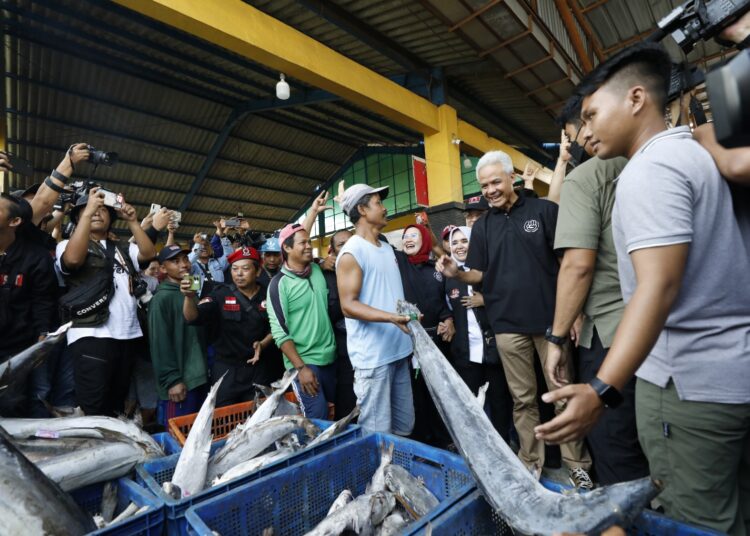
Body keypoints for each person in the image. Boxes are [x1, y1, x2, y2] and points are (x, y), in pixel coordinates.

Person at [535, 43, 750, 534]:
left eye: (592, 113)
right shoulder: (704, 155)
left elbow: (659, 286)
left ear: (636, 99)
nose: (584, 130)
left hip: (689, 386)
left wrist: (601, 390)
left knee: (698, 522)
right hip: (736, 374)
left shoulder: (648, 171)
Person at [437, 150, 592, 489]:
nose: (490, 190)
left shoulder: (544, 211)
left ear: (512, 178)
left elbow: (569, 263)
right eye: (484, 185)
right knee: (523, 399)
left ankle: (577, 464)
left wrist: (576, 312)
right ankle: (531, 460)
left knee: (562, 393)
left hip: (552, 322)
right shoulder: (483, 228)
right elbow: (478, 273)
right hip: (507, 326)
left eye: (495, 182)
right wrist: (456, 273)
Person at [544, 94, 648, 486]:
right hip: (655, 328)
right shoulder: (650, 163)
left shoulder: (586, 178)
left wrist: (556, 336)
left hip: (607, 335)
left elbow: (578, 265)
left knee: (617, 451)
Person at [56, 188, 155, 416]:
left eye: (103, 210)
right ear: (78, 218)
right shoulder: (66, 245)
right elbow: (71, 261)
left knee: (116, 403)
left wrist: (132, 221)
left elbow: (148, 254)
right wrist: (88, 213)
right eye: (90, 210)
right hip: (90, 335)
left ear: (111, 217)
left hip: (127, 334)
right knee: (93, 405)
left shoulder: (123, 248)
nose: (98, 213)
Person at [336, 184, 414, 435]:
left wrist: (407, 314)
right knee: (377, 434)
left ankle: (394, 474)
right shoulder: (352, 251)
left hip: (399, 352)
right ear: (362, 209)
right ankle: (376, 475)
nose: (384, 207)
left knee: (404, 427)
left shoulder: (386, 247)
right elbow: (348, 306)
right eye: (378, 203)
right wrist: (391, 318)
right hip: (374, 361)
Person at [184, 246, 278, 407]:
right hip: (226, 371)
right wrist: (188, 297)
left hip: (258, 370)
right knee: (225, 419)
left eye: (245, 269)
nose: (239, 274)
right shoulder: (220, 294)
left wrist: (263, 343)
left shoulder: (270, 294)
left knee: (257, 418)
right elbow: (192, 317)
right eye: (235, 269)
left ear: (257, 272)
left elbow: (277, 327)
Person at [445, 226, 513, 440]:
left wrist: (486, 300)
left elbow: (511, 297)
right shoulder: (449, 276)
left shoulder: (488, 269)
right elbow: (445, 307)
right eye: (454, 242)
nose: (459, 246)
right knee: (471, 405)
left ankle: (504, 444)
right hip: (466, 355)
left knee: (500, 403)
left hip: (494, 352)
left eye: (464, 241)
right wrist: (446, 320)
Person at [267, 224, 337, 419]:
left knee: (332, 416)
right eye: (303, 243)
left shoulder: (316, 269)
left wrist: (314, 210)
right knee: (317, 419)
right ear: (287, 248)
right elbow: (280, 333)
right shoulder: (279, 284)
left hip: (330, 359)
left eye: (310, 242)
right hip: (305, 363)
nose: (309, 246)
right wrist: (301, 369)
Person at [395, 223, 454, 448]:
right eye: (405, 235)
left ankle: (443, 439)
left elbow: (443, 304)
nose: (408, 239)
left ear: (425, 241)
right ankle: (420, 442)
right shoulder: (399, 264)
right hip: (409, 341)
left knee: (439, 392)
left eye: (414, 235)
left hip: (437, 342)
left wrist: (449, 320)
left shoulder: (436, 270)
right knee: (415, 393)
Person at [149, 244, 209, 425]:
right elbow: (160, 343)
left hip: (199, 377)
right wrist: (172, 380)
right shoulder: (161, 299)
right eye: (175, 261)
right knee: (180, 437)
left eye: (184, 259)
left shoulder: (190, 292)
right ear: (162, 268)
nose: (183, 264)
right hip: (180, 383)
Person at [321, 229, 357, 419]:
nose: (347, 247)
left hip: (369, 348)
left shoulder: (365, 267)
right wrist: (318, 263)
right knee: (346, 403)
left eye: (350, 242)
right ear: (331, 251)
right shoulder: (323, 274)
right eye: (341, 244)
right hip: (341, 352)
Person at [189, 230, 232, 295]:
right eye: (200, 245)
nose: (203, 247)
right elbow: (187, 262)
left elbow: (229, 255)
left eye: (206, 245)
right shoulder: (191, 265)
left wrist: (222, 236)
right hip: (198, 301)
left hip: (218, 300)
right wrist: (197, 243)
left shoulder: (217, 263)